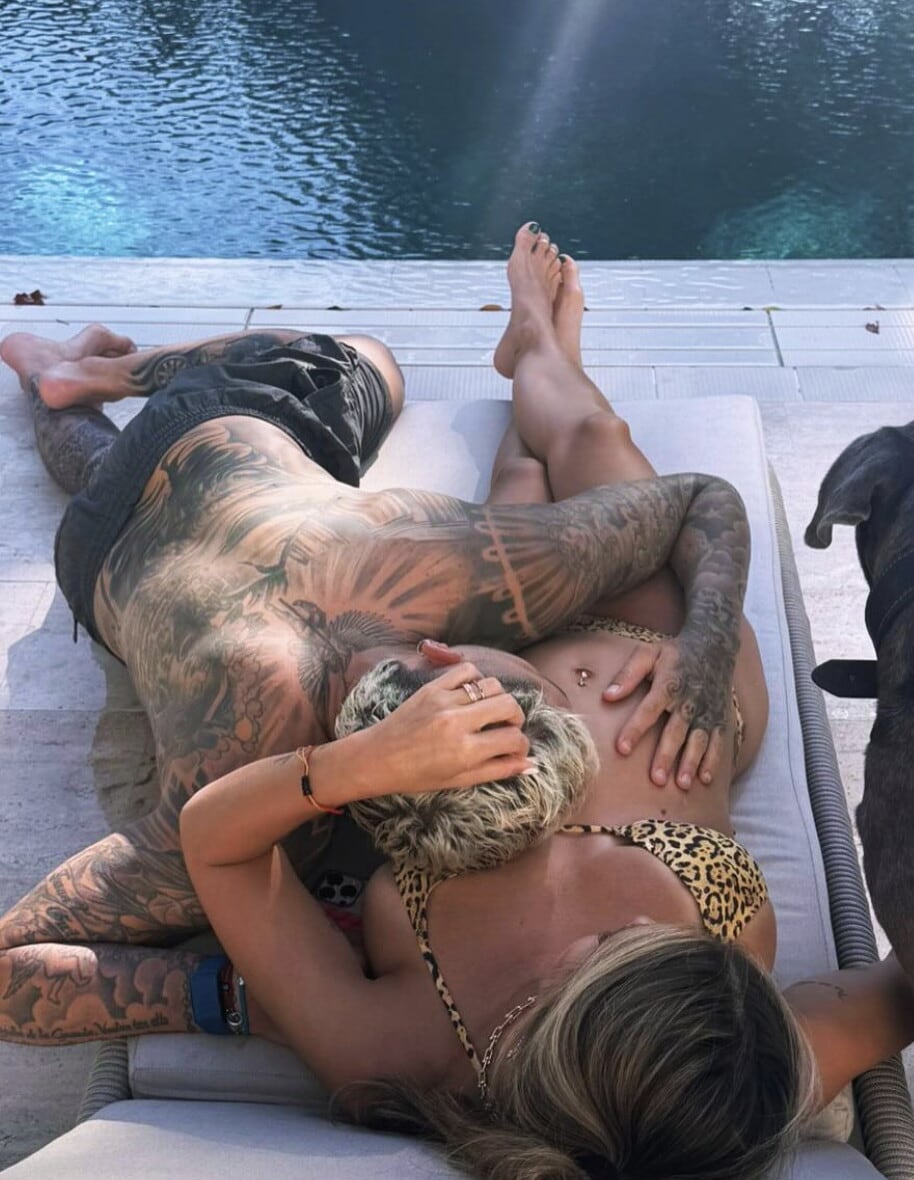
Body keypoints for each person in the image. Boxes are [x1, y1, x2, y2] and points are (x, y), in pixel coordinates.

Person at [0, 225, 910, 1180]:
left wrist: (346, 784)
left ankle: (532, 375)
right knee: (589, 442)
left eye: (616, 952)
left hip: (458, 659)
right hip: (657, 660)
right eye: (691, 956)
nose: (648, 923)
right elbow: (901, 989)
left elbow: (211, 845)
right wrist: (706, 652)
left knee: (529, 489)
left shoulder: (400, 1048)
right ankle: (542, 351)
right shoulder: (735, 1085)